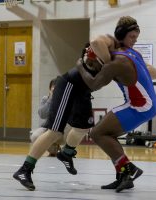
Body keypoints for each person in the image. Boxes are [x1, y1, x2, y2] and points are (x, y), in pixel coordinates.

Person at [76, 16, 156, 193]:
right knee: (108, 134)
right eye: (132, 37)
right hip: (146, 104)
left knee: (98, 133)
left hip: (139, 105)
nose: (134, 41)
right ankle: (123, 175)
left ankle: (128, 169)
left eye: (136, 38)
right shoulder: (130, 53)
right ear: (121, 35)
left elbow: (93, 85)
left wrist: (81, 67)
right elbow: (154, 73)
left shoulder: (117, 62)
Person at [12, 45, 104, 191]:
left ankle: (66, 154)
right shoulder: (107, 51)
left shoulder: (118, 55)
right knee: (54, 131)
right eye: (132, 36)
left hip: (82, 90)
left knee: (84, 127)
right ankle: (25, 169)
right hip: (69, 85)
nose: (134, 40)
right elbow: (94, 79)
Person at [30, 78, 62, 157]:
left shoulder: (66, 99)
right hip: (48, 127)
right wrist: (50, 99)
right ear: (50, 89)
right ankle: (54, 150)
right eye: (53, 88)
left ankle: (67, 151)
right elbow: (42, 114)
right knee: (34, 136)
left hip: (63, 129)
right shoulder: (46, 99)